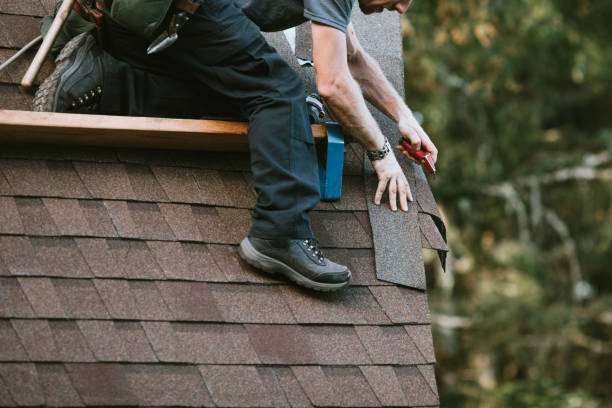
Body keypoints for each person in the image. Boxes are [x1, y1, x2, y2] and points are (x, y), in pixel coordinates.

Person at [34, 0, 438, 291]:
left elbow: (351, 57)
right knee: (280, 94)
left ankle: (105, 82)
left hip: (140, 26)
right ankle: (280, 233)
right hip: (182, 10)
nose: (402, 8)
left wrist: (402, 115)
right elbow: (332, 84)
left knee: (239, 95)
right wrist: (381, 154)